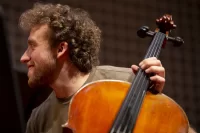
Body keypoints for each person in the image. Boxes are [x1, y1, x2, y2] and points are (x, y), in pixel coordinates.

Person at [19, 2, 194, 133]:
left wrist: (158, 104)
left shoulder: (126, 82)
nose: (23, 57)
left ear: (61, 49)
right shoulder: (38, 120)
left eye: (32, 46)